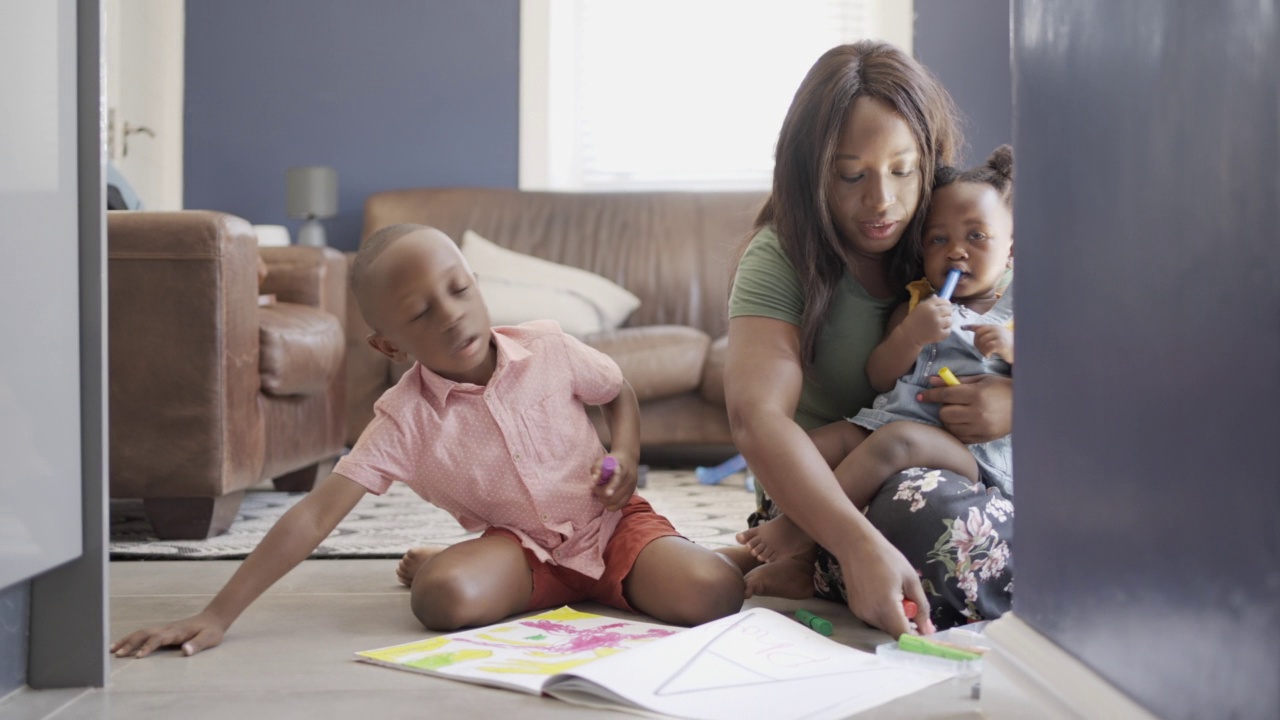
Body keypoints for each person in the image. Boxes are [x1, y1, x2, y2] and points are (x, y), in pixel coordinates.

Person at [111, 225, 744, 659]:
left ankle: (721, 556)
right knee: (441, 597)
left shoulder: (548, 347)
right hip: (523, 552)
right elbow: (312, 516)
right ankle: (481, 567)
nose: (450, 315)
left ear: (476, 283)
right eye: (419, 314)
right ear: (389, 345)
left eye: (459, 290)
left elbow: (617, 392)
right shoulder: (402, 421)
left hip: (609, 528)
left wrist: (625, 456)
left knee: (715, 592)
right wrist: (216, 615)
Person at [719, 41, 1014, 634]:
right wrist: (852, 542)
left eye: (903, 171)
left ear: (930, 162)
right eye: (852, 175)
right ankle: (832, 559)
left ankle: (829, 571)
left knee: (935, 513)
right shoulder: (782, 256)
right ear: (810, 171)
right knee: (915, 516)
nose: (881, 201)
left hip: (951, 479)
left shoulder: (954, 235)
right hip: (820, 497)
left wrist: (1018, 403)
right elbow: (757, 418)